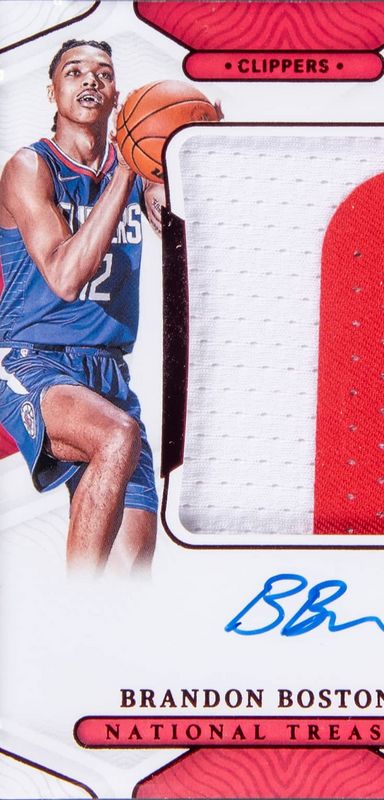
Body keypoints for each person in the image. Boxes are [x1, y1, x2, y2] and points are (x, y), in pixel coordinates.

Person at [0, 39, 166, 574]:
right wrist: (126, 173)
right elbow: (65, 278)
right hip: (34, 360)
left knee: (131, 570)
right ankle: (76, 615)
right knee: (116, 436)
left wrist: (192, 148)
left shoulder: (136, 167)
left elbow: (178, 222)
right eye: (74, 72)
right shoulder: (30, 166)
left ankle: (95, 621)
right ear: (52, 92)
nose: (90, 80)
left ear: (117, 95)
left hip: (108, 372)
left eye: (103, 73)